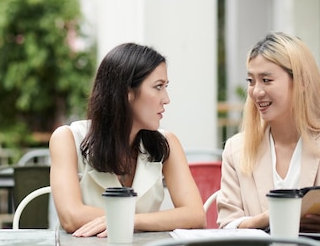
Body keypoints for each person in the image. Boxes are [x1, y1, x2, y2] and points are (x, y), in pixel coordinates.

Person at [217, 31, 320, 232]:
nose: (256, 91)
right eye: (251, 81)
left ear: (301, 82)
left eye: (266, 80)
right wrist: (276, 215)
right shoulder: (236, 148)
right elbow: (227, 224)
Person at [49, 42, 206, 237]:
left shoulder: (166, 143)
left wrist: (132, 220)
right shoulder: (67, 138)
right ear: (127, 93)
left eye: (165, 87)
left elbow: (195, 215)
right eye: (158, 87)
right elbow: (71, 216)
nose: (166, 99)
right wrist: (153, 221)